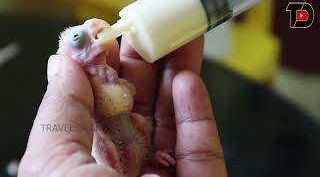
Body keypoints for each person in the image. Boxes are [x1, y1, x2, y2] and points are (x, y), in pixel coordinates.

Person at [18, 36, 227, 176]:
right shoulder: (88, 82)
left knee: (140, 124)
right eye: (79, 39)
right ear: (72, 56)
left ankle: (153, 157)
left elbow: (127, 98)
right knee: (106, 145)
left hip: (131, 138)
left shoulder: (105, 73)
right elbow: (111, 106)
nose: (96, 37)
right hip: (113, 151)